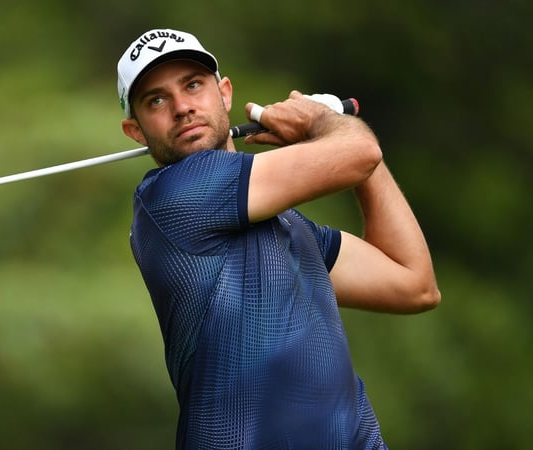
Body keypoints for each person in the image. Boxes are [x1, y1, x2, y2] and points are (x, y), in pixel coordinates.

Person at [117, 28, 440, 449]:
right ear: (135, 131)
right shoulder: (172, 197)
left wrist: (340, 134)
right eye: (156, 100)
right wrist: (328, 125)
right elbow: (359, 154)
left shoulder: (290, 227)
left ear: (225, 93)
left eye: (193, 85)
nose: (182, 108)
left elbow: (414, 285)